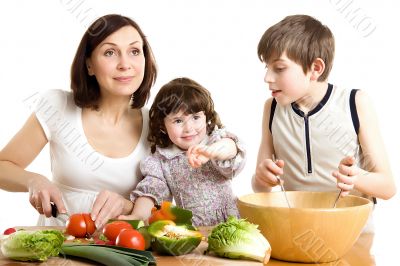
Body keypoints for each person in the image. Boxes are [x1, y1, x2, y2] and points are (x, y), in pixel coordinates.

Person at [0, 14, 157, 229]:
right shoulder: (58, 106)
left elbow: (166, 210)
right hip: (56, 253)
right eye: (110, 52)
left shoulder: (159, 125)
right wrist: (33, 180)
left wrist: (129, 207)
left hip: (123, 253)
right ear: (89, 65)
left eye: (134, 51)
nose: (125, 64)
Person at [252, 15, 396, 204]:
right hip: (297, 227)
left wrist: (357, 178)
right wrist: (262, 178)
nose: (267, 77)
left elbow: (388, 188)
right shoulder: (272, 108)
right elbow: (261, 188)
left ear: (316, 68)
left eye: (279, 68)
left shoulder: (355, 102)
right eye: (267, 67)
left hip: (353, 229)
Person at [118, 77, 246, 226]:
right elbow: (151, 191)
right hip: (193, 230)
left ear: (206, 117)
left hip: (231, 224)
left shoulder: (215, 141)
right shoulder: (162, 160)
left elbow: (231, 148)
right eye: (178, 121)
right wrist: (138, 215)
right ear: (162, 126)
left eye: (196, 117)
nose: (189, 128)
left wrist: (212, 152)